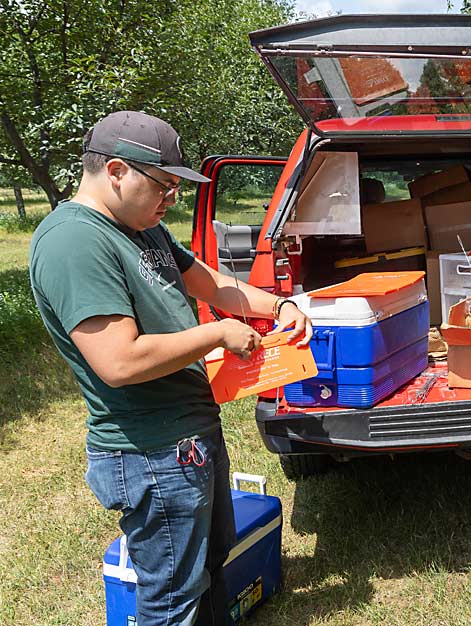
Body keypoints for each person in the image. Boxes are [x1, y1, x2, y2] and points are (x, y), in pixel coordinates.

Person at [28, 111, 313, 626]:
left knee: (206, 570)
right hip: (151, 452)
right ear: (116, 170)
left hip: (187, 438)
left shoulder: (144, 228)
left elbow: (211, 283)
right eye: (163, 185)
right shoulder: (75, 242)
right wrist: (218, 333)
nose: (172, 198)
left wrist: (277, 307)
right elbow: (119, 361)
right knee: (171, 600)